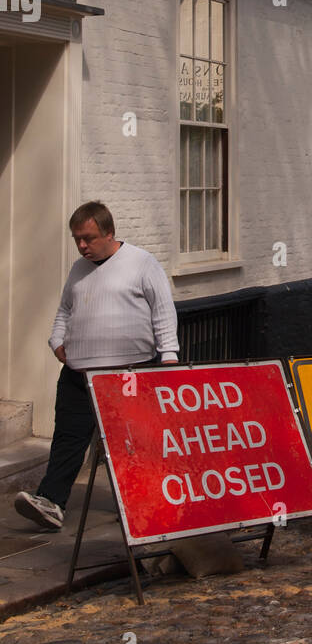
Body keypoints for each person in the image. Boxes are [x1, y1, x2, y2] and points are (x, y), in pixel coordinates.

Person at [14, 201, 179, 531]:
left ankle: (140, 502)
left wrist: (170, 357)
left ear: (109, 233)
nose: (82, 245)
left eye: (88, 238)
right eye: (77, 239)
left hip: (128, 373)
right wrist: (56, 340)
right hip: (78, 373)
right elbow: (65, 309)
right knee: (68, 439)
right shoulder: (78, 268)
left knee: (132, 442)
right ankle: (51, 501)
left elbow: (163, 310)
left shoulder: (141, 263)